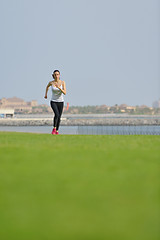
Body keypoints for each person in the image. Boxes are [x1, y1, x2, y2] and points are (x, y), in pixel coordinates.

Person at [44, 70, 66, 135]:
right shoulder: (51, 83)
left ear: (59, 75)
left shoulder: (62, 82)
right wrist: (46, 94)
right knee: (57, 114)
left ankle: (57, 131)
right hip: (53, 101)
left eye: (57, 74)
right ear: (53, 75)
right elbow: (47, 87)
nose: (56, 76)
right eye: (55, 74)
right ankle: (54, 128)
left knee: (59, 117)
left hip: (61, 102)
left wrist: (59, 88)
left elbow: (65, 92)